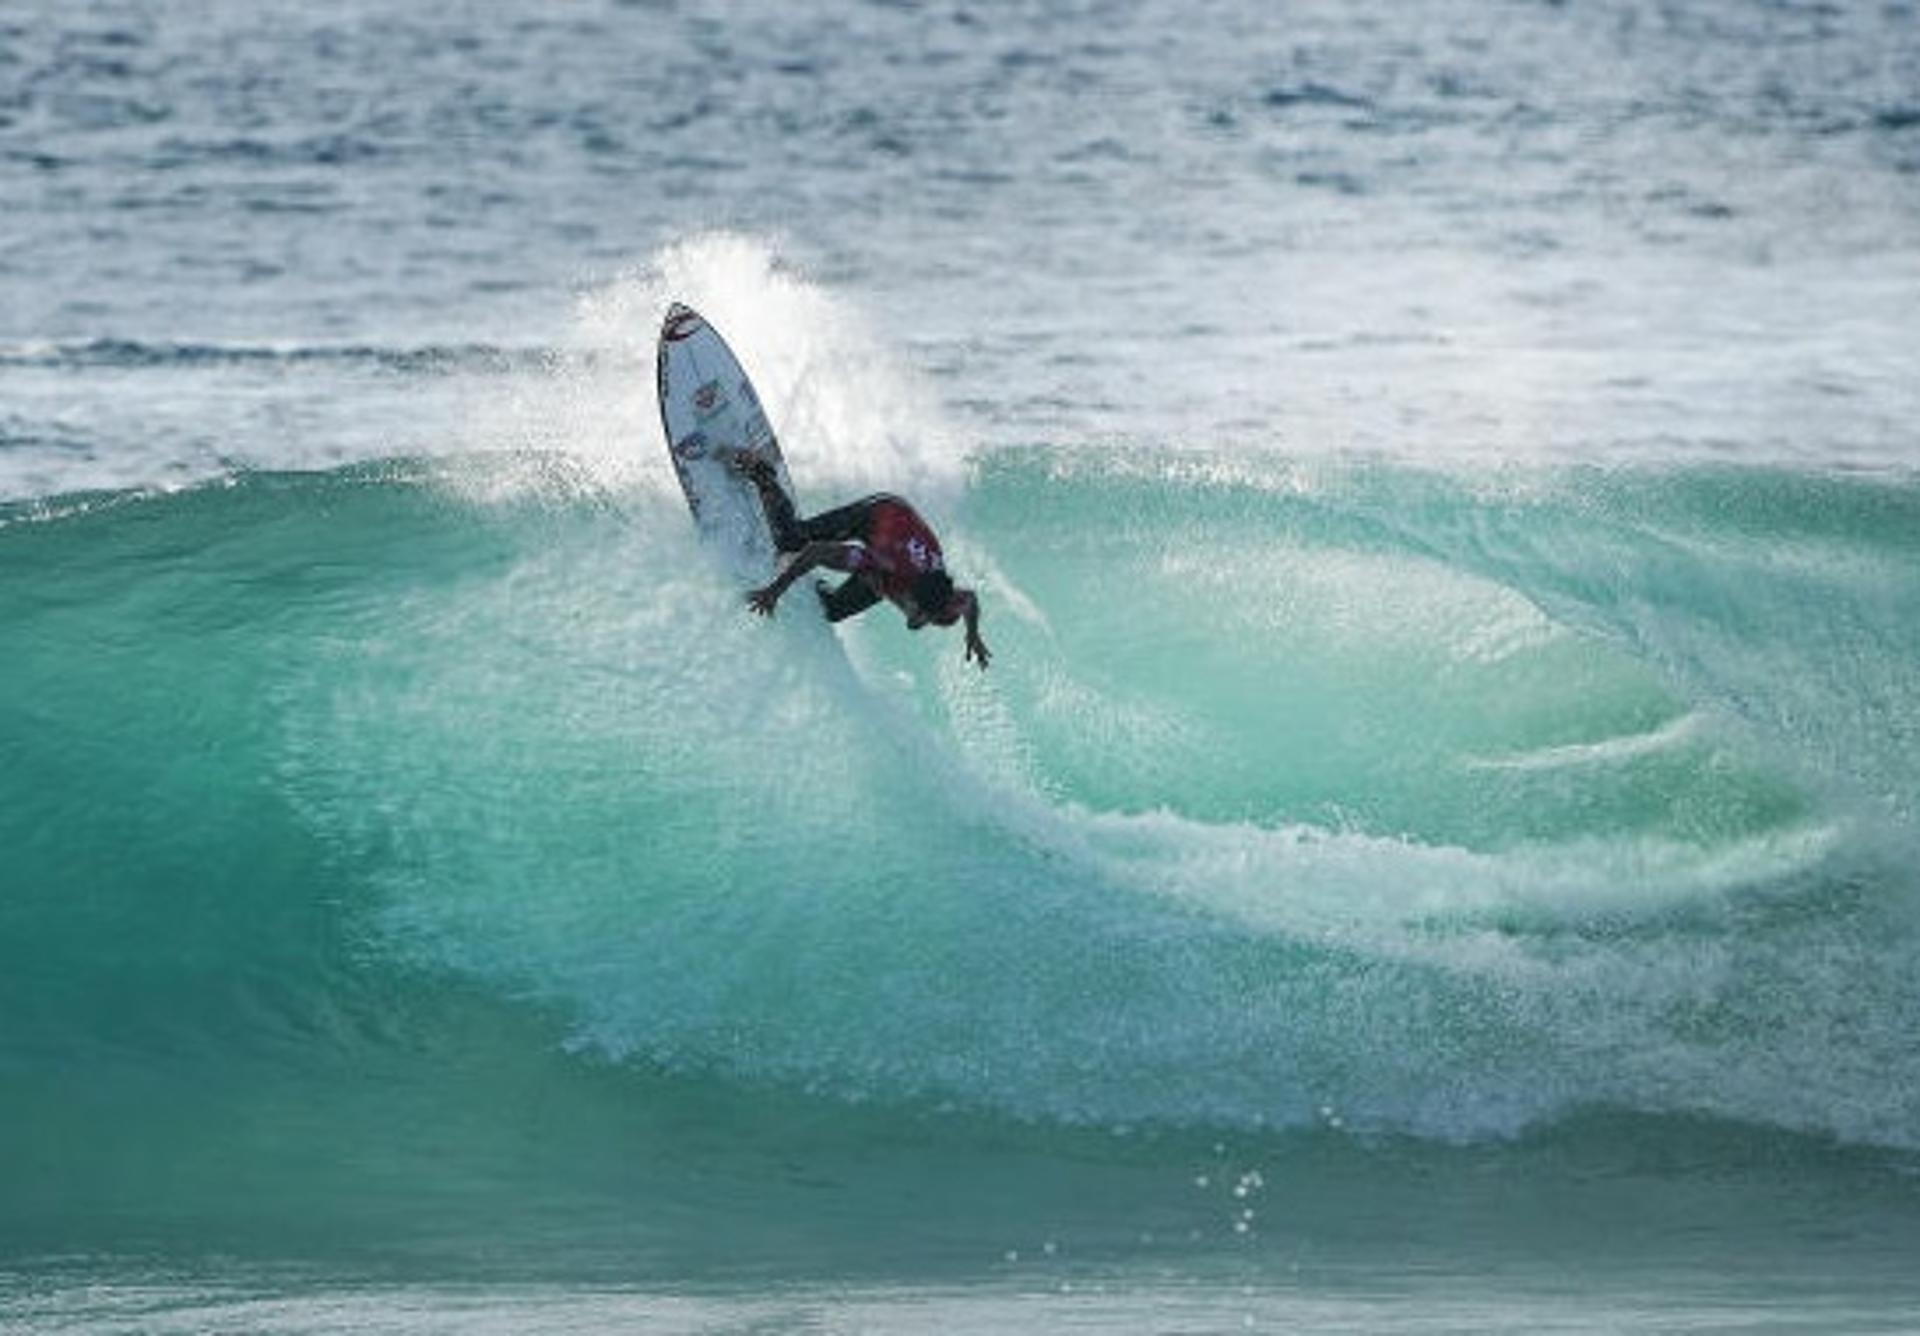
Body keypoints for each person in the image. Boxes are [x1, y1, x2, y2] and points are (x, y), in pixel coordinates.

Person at [725, 451, 991, 670]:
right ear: (913, 600)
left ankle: (808, 583)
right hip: (880, 514)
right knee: (793, 541)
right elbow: (817, 551)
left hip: (903, 539)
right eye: (917, 617)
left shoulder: (946, 601)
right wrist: (775, 590)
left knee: (834, 611)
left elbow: (969, 599)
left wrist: (973, 634)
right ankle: (762, 472)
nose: (914, 623)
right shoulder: (884, 563)